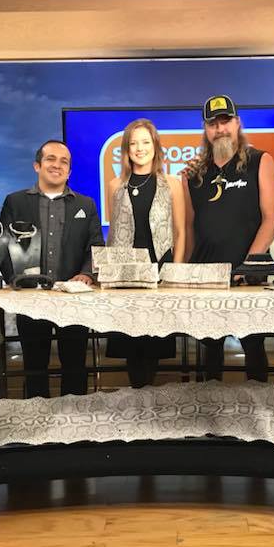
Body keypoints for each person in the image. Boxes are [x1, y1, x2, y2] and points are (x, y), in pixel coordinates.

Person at [183, 94, 274, 381]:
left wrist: (248, 266)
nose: (220, 129)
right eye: (213, 124)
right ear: (205, 129)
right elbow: (189, 227)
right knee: (209, 352)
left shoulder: (260, 161)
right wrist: (182, 270)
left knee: (253, 346)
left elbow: (270, 219)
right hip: (207, 276)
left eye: (225, 121)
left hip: (247, 276)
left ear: (237, 123)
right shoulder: (194, 173)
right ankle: (209, 408)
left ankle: (258, 408)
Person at [0, 139, 104, 398]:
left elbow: (95, 247)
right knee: (34, 364)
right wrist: (15, 279)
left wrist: (87, 274)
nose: (57, 165)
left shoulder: (86, 205)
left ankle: (75, 417)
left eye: (64, 161)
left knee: (75, 364)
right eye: (51, 159)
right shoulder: (15, 202)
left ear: (69, 171)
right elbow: (2, 246)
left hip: (73, 299)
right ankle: (38, 419)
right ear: (37, 165)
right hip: (31, 299)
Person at [105, 119, 187, 387]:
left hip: (160, 272)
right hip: (126, 276)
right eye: (133, 143)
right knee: (131, 343)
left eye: (145, 142)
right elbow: (115, 232)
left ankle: (149, 399)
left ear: (155, 146)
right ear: (126, 149)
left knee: (154, 344)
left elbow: (180, 231)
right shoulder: (115, 185)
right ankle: (136, 395)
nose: (139, 148)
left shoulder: (172, 184)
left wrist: (175, 272)